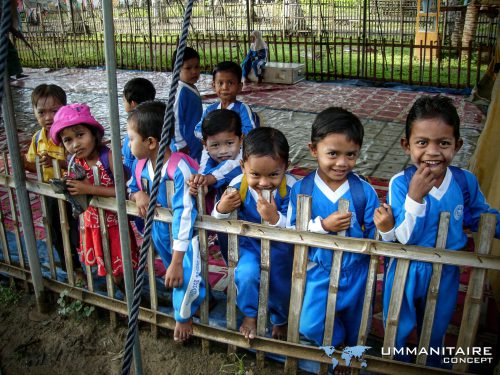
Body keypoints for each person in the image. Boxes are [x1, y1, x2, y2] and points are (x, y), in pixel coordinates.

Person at [375, 95, 500, 366]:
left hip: (446, 271)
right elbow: (403, 238)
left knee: (435, 328)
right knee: (397, 326)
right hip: (407, 269)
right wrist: (415, 198)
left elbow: (484, 218)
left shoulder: (465, 182)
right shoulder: (401, 183)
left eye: (443, 143)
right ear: (406, 145)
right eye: (422, 143)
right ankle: (393, 366)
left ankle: (431, 366)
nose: (432, 152)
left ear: (458, 145)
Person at [287, 107, 379, 347]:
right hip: (319, 271)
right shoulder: (301, 189)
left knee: (356, 322)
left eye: (351, 155)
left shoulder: (364, 191)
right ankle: (336, 344)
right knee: (310, 323)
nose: (342, 163)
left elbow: (374, 233)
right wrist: (322, 226)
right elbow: (290, 231)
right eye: (333, 154)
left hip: (357, 270)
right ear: (313, 149)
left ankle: (348, 355)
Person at [126, 101, 205, 342]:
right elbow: (132, 186)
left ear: (151, 142)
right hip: (160, 230)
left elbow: (184, 212)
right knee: (174, 270)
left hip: (183, 232)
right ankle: (195, 301)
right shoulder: (140, 165)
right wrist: (138, 194)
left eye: (131, 139)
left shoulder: (178, 168)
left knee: (184, 270)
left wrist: (178, 259)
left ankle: (184, 317)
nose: (128, 145)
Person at [212, 127, 296, 340]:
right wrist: (221, 208)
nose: (265, 182)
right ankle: (250, 315)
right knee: (246, 274)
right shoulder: (237, 185)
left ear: (285, 167)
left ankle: (280, 318)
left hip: (281, 248)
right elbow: (218, 220)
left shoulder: (292, 188)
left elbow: (297, 226)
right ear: (243, 166)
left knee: (280, 283)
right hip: (249, 245)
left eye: (274, 174)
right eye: (256, 174)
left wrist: (275, 218)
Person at [50, 103, 139, 291]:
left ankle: (134, 297)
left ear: (94, 134)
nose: (75, 144)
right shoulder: (74, 161)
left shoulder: (108, 157)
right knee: (107, 265)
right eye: (68, 140)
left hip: (113, 224)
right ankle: (127, 294)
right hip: (91, 223)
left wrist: (87, 188)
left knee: (120, 266)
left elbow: (124, 190)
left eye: (80, 135)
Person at [23, 84, 82, 279]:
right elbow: (32, 165)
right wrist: (28, 164)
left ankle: (83, 260)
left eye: (54, 111)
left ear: (64, 109)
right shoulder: (38, 138)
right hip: (50, 191)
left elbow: (81, 164)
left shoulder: (69, 135)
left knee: (75, 232)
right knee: (55, 230)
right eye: (41, 112)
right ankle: (71, 267)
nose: (48, 117)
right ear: (34, 112)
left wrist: (58, 162)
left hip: (72, 190)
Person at [188, 109, 244, 263]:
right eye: (215, 145)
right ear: (204, 144)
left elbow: (230, 166)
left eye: (230, 143)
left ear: (241, 139)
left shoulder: (244, 159)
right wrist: (199, 183)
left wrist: (207, 180)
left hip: (249, 219)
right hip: (223, 217)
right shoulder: (208, 156)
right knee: (228, 250)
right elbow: (203, 170)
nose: (223, 151)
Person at [194, 61, 259, 172]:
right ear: (213, 85)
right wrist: (210, 139)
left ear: (239, 86)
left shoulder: (243, 109)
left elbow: (250, 131)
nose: (225, 87)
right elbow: (198, 130)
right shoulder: (210, 109)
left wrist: (230, 138)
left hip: (236, 153)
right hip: (214, 152)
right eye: (220, 83)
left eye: (230, 83)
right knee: (204, 168)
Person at [170, 47, 203, 163]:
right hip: (185, 144)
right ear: (177, 69)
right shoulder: (180, 92)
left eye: (197, 67)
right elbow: (175, 119)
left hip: (193, 141)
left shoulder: (190, 87)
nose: (194, 71)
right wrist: (180, 143)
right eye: (188, 68)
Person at [121, 77, 156, 177]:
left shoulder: (135, 127)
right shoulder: (154, 121)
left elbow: (129, 155)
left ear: (133, 103)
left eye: (124, 100)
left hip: (134, 174)